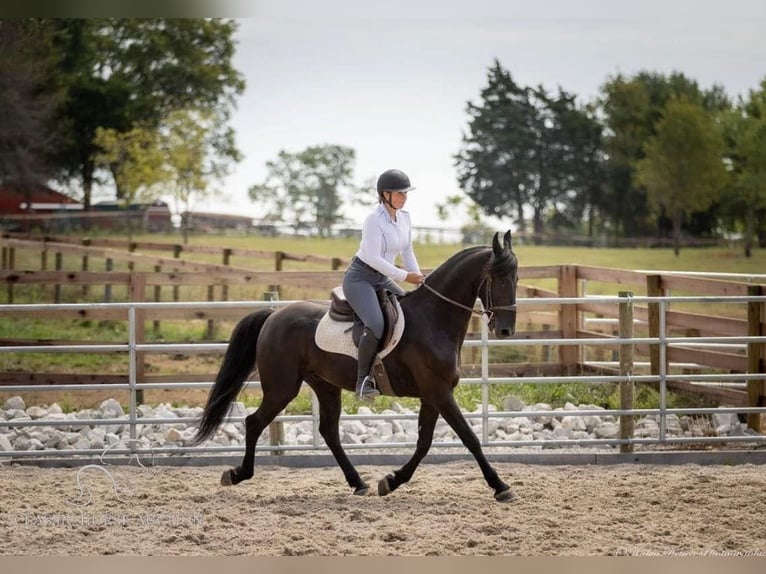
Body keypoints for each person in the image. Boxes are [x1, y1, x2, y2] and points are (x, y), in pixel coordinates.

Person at [342, 168, 425, 400]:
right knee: (376, 324)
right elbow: (373, 258)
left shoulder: (405, 218)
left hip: (382, 278)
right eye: (399, 193)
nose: (404, 197)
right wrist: (403, 276)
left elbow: (408, 251)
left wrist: (418, 278)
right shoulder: (373, 220)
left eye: (405, 193)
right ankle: (362, 383)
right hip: (360, 278)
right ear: (384, 194)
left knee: (408, 311)